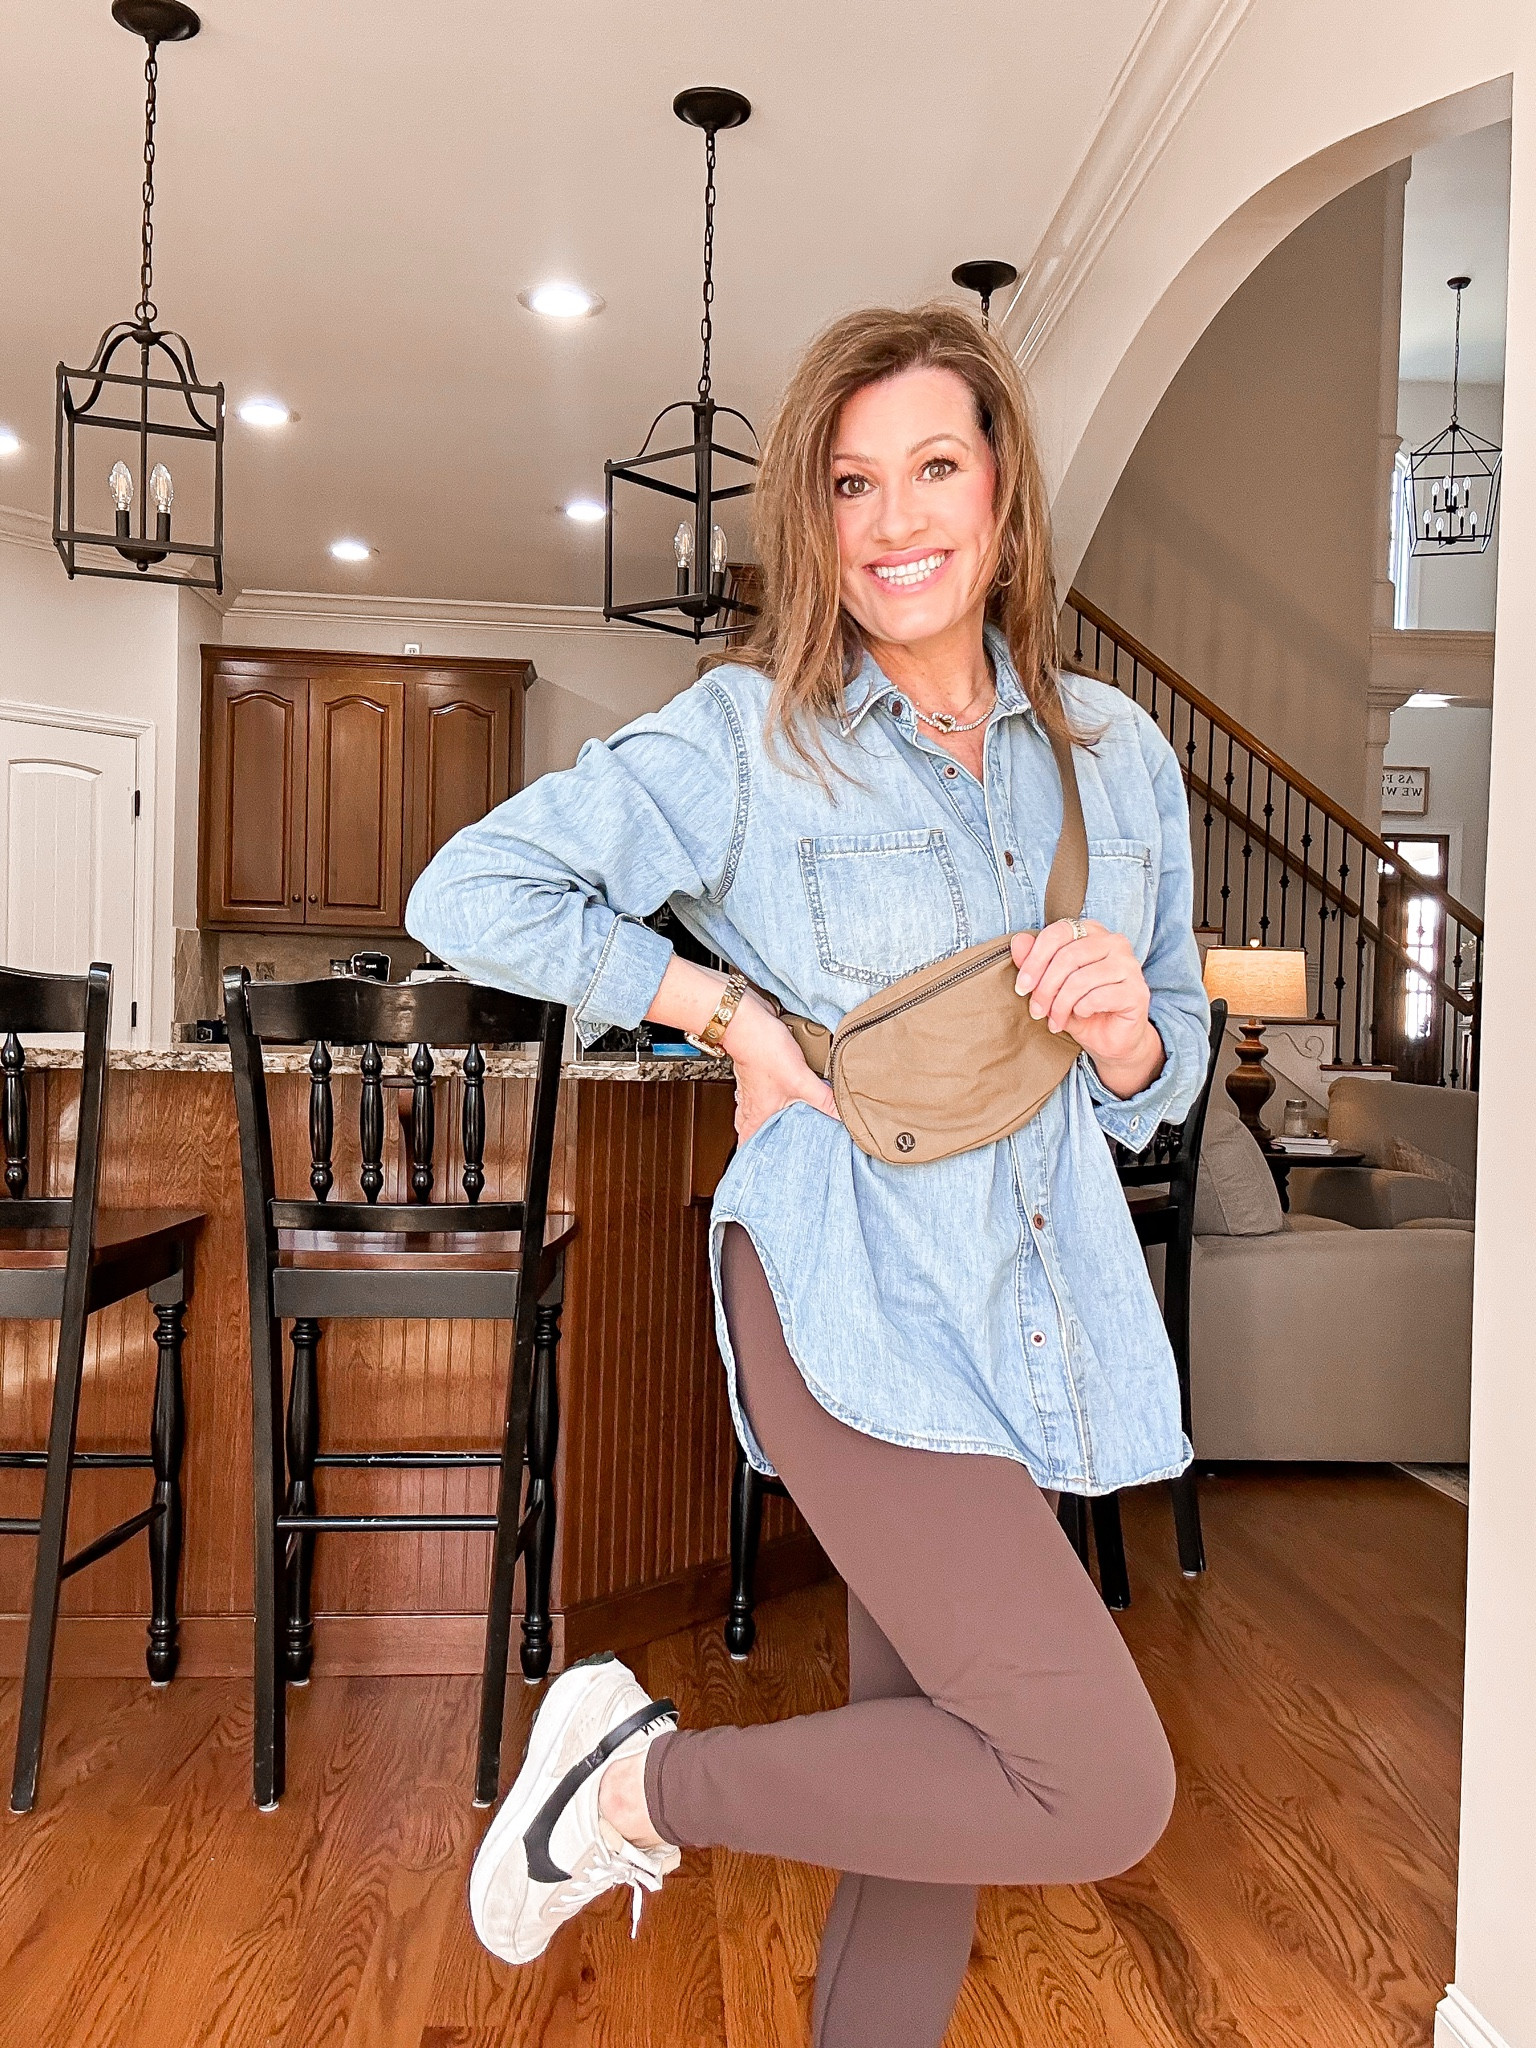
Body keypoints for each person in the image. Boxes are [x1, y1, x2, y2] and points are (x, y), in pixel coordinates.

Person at [406, 301, 1210, 2048]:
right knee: (1094, 1779)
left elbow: (1164, 1078)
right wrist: (722, 1011)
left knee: (945, 1786)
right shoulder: (747, 739)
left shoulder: (1121, 757)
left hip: (1027, 1311)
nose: (895, 520)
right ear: (812, 515)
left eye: (935, 467)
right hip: (841, 1285)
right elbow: (468, 893)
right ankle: (633, 1790)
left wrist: (1132, 1038)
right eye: (852, 483)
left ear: (1001, 493)